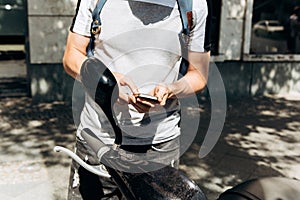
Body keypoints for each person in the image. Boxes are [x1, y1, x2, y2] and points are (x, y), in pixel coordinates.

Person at [62, 0, 210, 199]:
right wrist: (107, 82)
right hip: (98, 139)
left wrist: (173, 89)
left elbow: (199, 74)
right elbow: (72, 56)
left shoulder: (194, 6)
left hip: (159, 146)